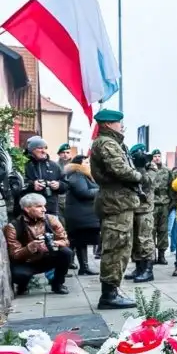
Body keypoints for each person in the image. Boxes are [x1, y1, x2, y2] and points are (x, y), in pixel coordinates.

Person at [84, 108, 142, 309]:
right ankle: (108, 295)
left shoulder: (113, 143)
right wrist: (138, 176)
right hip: (115, 202)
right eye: (119, 123)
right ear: (108, 124)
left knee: (121, 246)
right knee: (116, 246)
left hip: (120, 201)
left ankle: (113, 290)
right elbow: (120, 170)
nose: (122, 126)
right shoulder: (107, 143)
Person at [4, 193, 73, 295]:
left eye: (44, 206)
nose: (44, 209)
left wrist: (52, 244)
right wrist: (30, 248)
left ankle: (57, 284)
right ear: (27, 209)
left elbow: (65, 241)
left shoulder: (51, 219)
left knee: (66, 253)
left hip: (47, 258)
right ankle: (22, 286)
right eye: (39, 206)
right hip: (27, 262)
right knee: (20, 275)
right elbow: (14, 255)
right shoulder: (13, 227)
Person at [123, 144, 156, 283]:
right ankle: (139, 267)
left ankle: (148, 270)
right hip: (132, 207)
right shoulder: (130, 166)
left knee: (145, 239)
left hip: (145, 209)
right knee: (135, 240)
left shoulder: (151, 168)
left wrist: (141, 167)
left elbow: (147, 182)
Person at [63, 155, 100, 275]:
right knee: (77, 241)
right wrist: (101, 191)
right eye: (86, 162)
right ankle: (69, 267)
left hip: (83, 215)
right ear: (79, 164)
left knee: (80, 242)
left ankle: (84, 267)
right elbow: (83, 192)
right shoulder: (77, 175)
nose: (89, 164)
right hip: (79, 215)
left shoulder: (83, 175)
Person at [22, 137, 67, 217]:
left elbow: (66, 184)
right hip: (29, 212)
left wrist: (59, 185)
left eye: (45, 148)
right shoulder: (23, 164)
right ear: (31, 149)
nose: (44, 151)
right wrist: (32, 185)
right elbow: (16, 185)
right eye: (40, 148)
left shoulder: (54, 165)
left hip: (51, 211)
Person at [150, 149, 172, 265]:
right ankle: (151, 255)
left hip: (164, 203)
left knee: (163, 230)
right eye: (155, 156)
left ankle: (162, 255)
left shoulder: (167, 171)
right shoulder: (148, 170)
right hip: (152, 203)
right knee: (151, 230)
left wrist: (171, 204)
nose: (157, 158)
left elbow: (171, 188)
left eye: (159, 156)